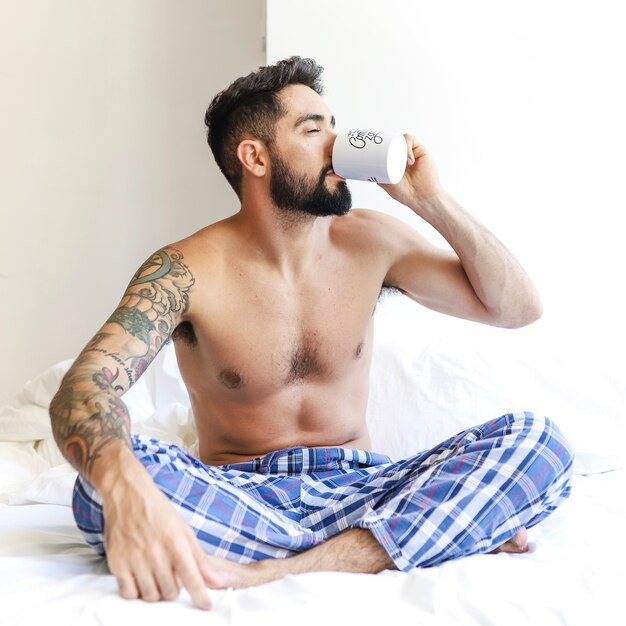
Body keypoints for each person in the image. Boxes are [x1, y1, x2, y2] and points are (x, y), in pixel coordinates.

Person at [49, 56, 573, 610]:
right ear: (255, 156)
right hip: (240, 493)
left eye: (333, 124)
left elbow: (517, 307)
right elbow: (84, 390)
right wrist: (127, 488)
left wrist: (428, 200)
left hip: (368, 487)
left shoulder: (372, 241)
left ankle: (289, 566)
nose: (338, 143)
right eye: (312, 128)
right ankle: (426, 537)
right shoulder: (184, 271)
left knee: (540, 444)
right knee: (98, 491)